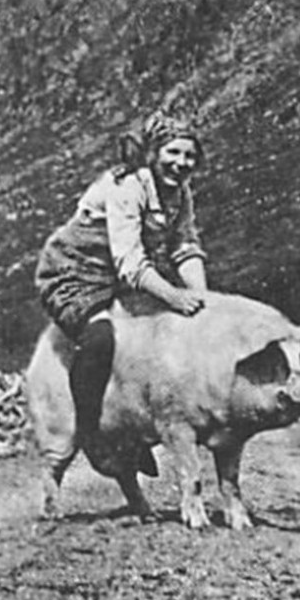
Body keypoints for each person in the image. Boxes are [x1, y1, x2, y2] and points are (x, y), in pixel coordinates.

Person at [35, 111, 209, 448]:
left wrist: (204, 299)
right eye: (172, 152)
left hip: (119, 278)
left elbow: (185, 245)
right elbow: (130, 261)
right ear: (153, 152)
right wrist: (176, 296)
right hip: (75, 274)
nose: (181, 162)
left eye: (189, 155)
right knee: (101, 338)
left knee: (158, 339)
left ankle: (132, 429)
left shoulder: (179, 193)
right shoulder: (127, 186)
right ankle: (91, 435)